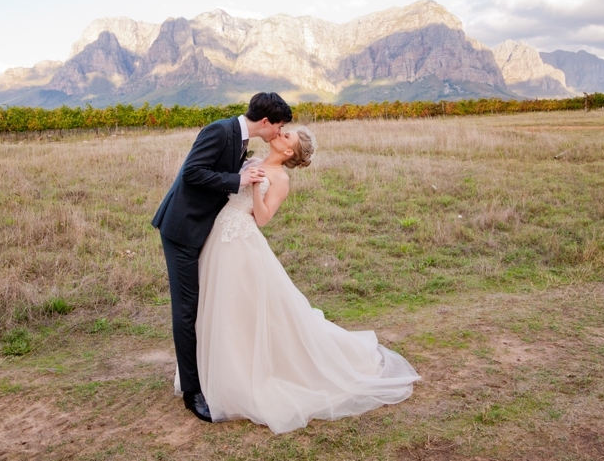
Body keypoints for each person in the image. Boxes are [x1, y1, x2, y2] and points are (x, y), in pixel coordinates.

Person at [185, 126, 421, 433]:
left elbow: (263, 218)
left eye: (287, 137)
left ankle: (245, 374)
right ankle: (216, 369)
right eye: (284, 131)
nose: (281, 134)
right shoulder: (251, 158)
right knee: (222, 303)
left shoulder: (280, 178)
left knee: (244, 305)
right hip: (220, 235)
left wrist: (256, 187)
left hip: (243, 239)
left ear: (287, 153)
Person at [152, 92, 293, 422]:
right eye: (280, 125)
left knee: (203, 305)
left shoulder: (242, 140)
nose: (279, 131)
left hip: (206, 231)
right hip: (183, 229)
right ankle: (192, 391)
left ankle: (211, 371)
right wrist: (238, 179)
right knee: (187, 309)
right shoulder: (219, 130)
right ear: (265, 122)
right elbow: (191, 173)